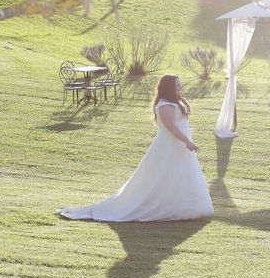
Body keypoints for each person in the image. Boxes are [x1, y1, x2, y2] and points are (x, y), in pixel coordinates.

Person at [58, 74, 213, 222]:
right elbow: (171, 127)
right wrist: (187, 141)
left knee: (181, 175)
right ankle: (168, 207)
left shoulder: (175, 101)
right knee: (164, 175)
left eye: (179, 85)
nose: (179, 88)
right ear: (168, 87)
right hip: (169, 147)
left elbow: (180, 124)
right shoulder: (165, 104)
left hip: (178, 147)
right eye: (176, 85)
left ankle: (184, 205)